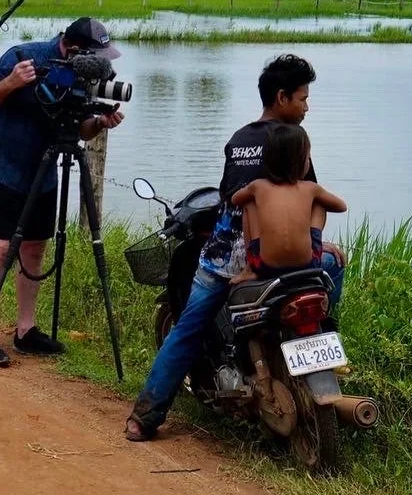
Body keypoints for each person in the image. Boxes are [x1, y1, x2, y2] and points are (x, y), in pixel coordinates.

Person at [125, 53, 347, 442]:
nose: (306, 106)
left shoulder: (240, 140)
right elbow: (307, 201)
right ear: (281, 97)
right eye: (302, 98)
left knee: (188, 328)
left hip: (229, 257)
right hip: (293, 258)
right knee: (333, 266)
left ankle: (145, 417)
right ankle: (319, 335)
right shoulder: (297, 143)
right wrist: (316, 243)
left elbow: (234, 200)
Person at [0, 17, 124, 367]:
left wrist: (100, 122)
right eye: (98, 54)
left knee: (36, 248)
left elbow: (81, 129)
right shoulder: (24, 55)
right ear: (72, 48)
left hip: (45, 172)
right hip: (7, 167)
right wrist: (11, 82)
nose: (104, 62)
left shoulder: (88, 76)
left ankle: (26, 330)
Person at [230, 123, 347, 282]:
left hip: (265, 267)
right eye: (308, 157)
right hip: (307, 265)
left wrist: (256, 194)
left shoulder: (258, 186)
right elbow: (341, 206)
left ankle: (250, 268)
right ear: (301, 161)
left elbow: (235, 199)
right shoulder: (311, 188)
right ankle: (314, 243)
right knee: (320, 204)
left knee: (249, 204)